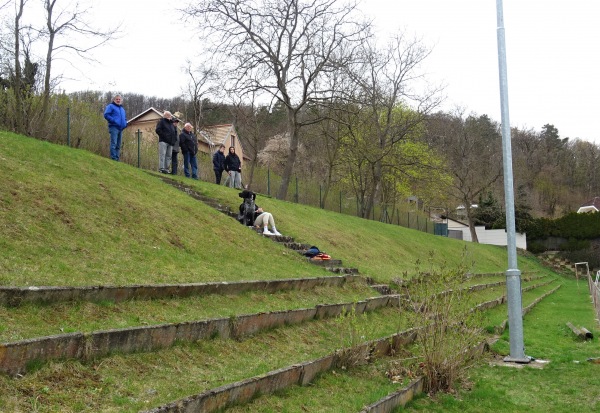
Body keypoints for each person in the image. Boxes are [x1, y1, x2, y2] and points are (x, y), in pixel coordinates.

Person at [103, 94, 127, 161]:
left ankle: (117, 158)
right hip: (114, 127)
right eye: (117, 99)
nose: (118, 100)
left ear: (121, 100)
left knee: (118, 145)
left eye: (119, 99)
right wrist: (114, 121)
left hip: (121, 128)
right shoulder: (110, 106)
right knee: (114, 143)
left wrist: (125, 124)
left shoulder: (122, 109)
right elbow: (106, 115)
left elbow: (125, 118)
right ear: (114, 100)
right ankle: (113, 158)